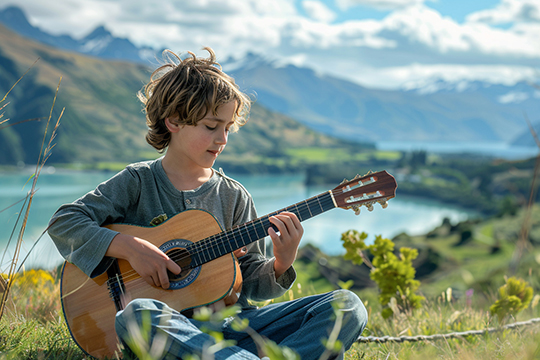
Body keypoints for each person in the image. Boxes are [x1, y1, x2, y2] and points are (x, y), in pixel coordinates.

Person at [48, 47, 368, 360]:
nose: (223, 139)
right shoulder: (138, 181)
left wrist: (280, 264)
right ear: (173, 121)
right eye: (211, 127)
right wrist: (131, 249)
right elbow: (65, 222)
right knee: (136, 315)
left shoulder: (233, 195)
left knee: (347, 306)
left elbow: (252, 282)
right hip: (173, 330)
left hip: (233, 326)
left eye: (228, 128)